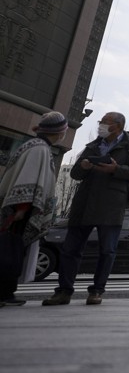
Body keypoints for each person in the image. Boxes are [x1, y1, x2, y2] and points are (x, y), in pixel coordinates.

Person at [43, 112, 129, 306]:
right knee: (70, 250)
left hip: (112, 204)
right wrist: (84, 165)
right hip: (84, 203)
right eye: (101, 122)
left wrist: (115, 169)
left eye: (105, 123)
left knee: (107, 250)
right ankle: (64, 291)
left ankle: (97, 290)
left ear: (118, 126)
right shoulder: (93, 146)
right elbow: (75, 174)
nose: (101, 126)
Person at [0, 112, 66, 306]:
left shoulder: (31, 145)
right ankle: (4, 293)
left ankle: (6, 292)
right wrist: (21, 208)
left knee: (10, 250)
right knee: (11, 252)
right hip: (22, 210)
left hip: (17, 208)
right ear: (58, 131)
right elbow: (29, 181)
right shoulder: (40, 149)